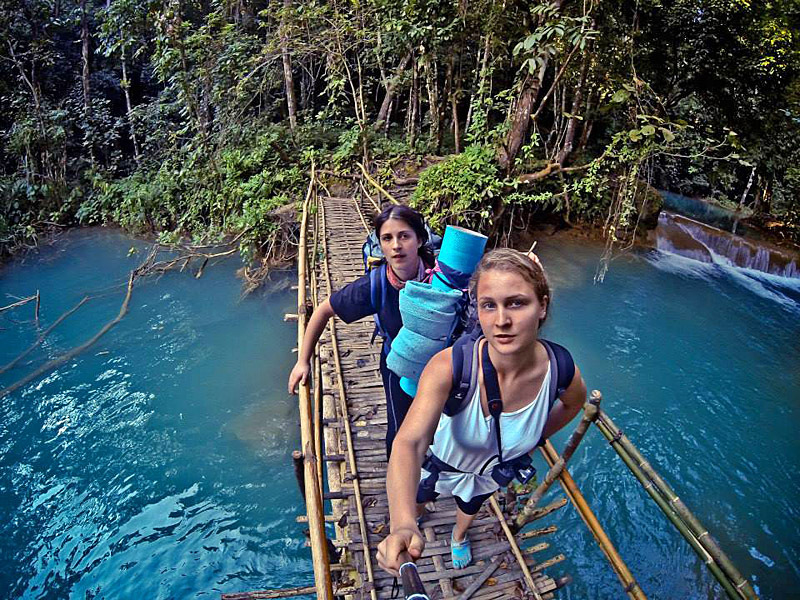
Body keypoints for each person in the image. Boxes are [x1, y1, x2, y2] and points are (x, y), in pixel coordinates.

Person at [376, 248, 587, 575]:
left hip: (490, 472)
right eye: (489, 305)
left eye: (516, 303)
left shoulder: (560, 370)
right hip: (442, 464)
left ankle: (459, 536)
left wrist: (535, 436)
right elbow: (409, 442)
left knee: (471, 502)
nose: (501, 321)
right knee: (419, 497)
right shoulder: (451, 367)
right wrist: (402, 523)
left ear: (542, 306)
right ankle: (416, 516)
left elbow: (574, 403)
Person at [288, 205, 436, 458]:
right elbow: (323, 311)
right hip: (398, 365)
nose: (396, 245)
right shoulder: (374, 285)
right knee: (400, 432)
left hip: (442, 364)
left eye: (404, 236)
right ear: (380, 245)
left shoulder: (443, 275)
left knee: (445, 426)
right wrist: (303, 361)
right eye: (387, 238)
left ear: (419, 240)